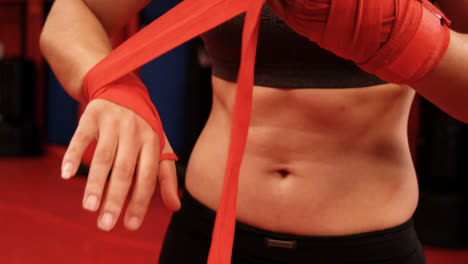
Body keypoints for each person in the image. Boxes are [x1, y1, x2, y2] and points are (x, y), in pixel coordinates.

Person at [40, 0, 468, 263]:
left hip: (367, 247)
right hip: (208, 238)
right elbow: (73, 12)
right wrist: (113, 85)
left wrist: (406, 36)